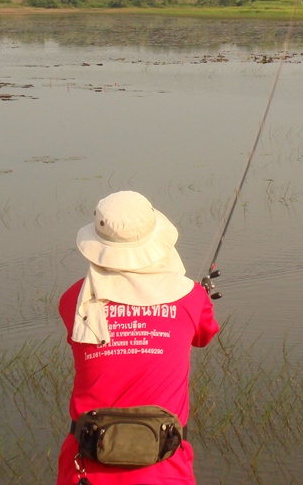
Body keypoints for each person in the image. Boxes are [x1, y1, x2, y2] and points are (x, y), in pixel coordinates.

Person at [56, 191, 219, 485]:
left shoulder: (74, 301)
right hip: (166, 471)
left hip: (83, 470)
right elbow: (203, 336)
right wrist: (199, 299)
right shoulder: (192, 298)